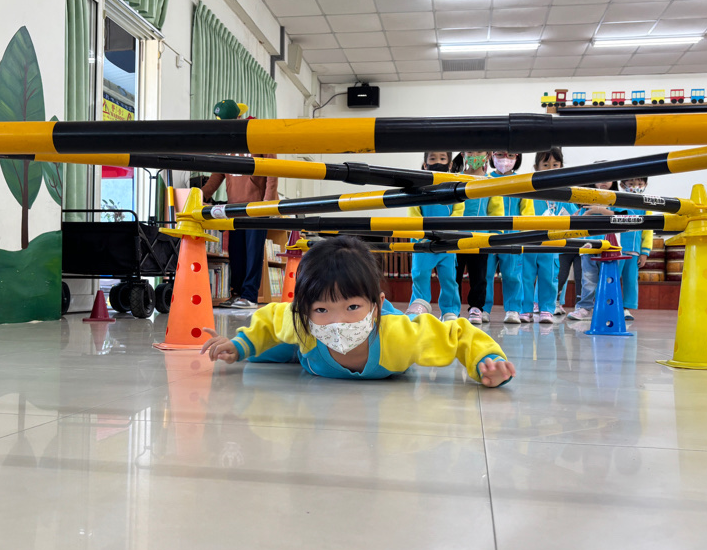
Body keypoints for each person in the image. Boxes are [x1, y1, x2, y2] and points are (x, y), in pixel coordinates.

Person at [199, 236, 517, 387]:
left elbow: (458, 334)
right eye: (322, 309)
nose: (338, 321)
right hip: (306, 349)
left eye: (352, 307)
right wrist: (239, 345)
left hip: (381, 332)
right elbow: (271, 318)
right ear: (305, 311)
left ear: (376, 305)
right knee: (262, 351)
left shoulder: (399, 335)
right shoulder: (301, 324)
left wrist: (487, 361)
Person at [201, 99, 278, 308]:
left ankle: (250, 296)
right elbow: (218, 174)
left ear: (238, 118)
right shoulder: (226, 143)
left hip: (256, 206)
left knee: (253, 253)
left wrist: (268, 202)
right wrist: (202, 195)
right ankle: (236, 294)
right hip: (234, 207)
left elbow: (273, 170)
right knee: (236, 252)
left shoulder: (258, 135)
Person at [405, 151, 463, 321]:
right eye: (432, 158)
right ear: (425, 165)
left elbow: (459, 211)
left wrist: (449, 233)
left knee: (449, 278)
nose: (437, 162)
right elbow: (413, 211)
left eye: (442, 158)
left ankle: (450, 311)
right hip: (423, 241)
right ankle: (419, 306)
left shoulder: (454, 186)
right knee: (420, 275)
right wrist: (421, 233)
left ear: (450, 164)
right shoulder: (418, 187)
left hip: (446, 242)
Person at [519, 148, 574, 323]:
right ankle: (525, 309)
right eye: (545, 164)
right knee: (525, 276)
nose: (550, 169)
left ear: (561, 167)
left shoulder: (564, 192)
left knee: (549, 277)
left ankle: (547, 309)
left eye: (555, 165)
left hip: (551, 245)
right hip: (529, 242)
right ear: (536, 167)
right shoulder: (528, 190)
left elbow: (574, 214)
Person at [452, 151, 501, 325]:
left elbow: (496, 210)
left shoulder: (491, 182)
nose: (474, 155)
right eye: (470, 151)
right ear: (463, 153)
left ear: (487, 155)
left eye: (479, 151)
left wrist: (496, 234)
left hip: (480, 238)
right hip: (456, 237)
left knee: (480, 276)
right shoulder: (455, 179)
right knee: (454, 276)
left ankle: (476, 308)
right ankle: (452, 308)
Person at [567, 176, 617, 321]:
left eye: (608, 177)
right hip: (588, 246)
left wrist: (600, 210)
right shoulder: (586, 197)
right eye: (600, 177)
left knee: (608, 279)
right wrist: (581, 216)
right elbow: (579, 220)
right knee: (588, 279)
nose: (604, 180)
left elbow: (622, 216)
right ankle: (584, 307)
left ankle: (607, 308)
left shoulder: (617, 198)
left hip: (609, 246)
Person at [484, 151, 524, 325]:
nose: (505, 159)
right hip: (488, 236)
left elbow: (527, 209)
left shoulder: (522, 181)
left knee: (512, 274)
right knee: (485, 274)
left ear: (517, 157)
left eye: (510, 155)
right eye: (500, 154)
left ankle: (513, 309)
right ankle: (483, 309)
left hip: (513, 236)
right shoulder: (485, 180)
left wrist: (525, 233)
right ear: (491, 156)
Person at [615, 176, 655, 320]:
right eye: (631, 183)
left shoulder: (646, 206)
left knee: (631, 280)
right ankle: (612, 305)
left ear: (645, 184)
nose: (636, 186)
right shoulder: (616, 201)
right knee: (613, 279)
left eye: (639, 184)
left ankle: (626, 308)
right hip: (616, 250)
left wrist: (645, 252)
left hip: (634, 252)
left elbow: (648, 231)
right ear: (622, 184)